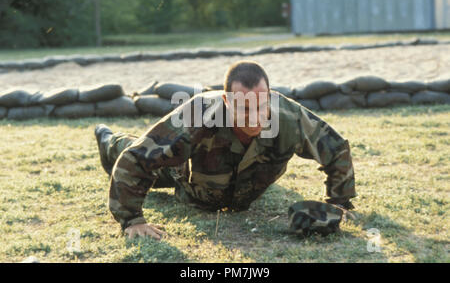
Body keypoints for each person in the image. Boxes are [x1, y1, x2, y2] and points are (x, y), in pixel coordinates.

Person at [95, 60, 356, 239]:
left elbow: (336, 149)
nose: (255, 118)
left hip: (245, 187)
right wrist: (132, 220)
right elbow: (137, 159)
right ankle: (107, 138)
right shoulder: (197, 114)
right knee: (132, 149)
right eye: (244, 109)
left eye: (261, 106)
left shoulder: (289, 116)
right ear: (226, 101)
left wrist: (340, 203)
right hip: (185, 176)